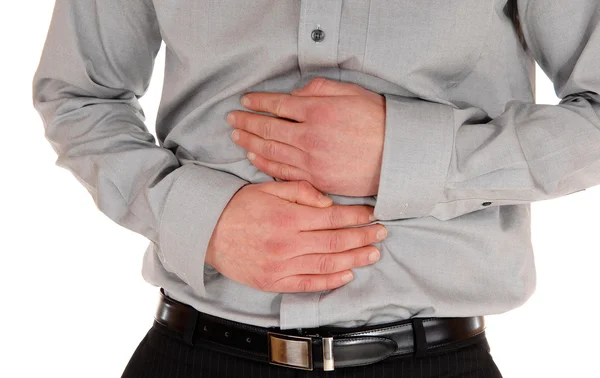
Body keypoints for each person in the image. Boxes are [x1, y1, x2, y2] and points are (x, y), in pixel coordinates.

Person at [32, 0, 600, 376]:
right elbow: (79, 95)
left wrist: (407, 155)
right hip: (192, 349)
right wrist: (201, 219)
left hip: (431, 359)